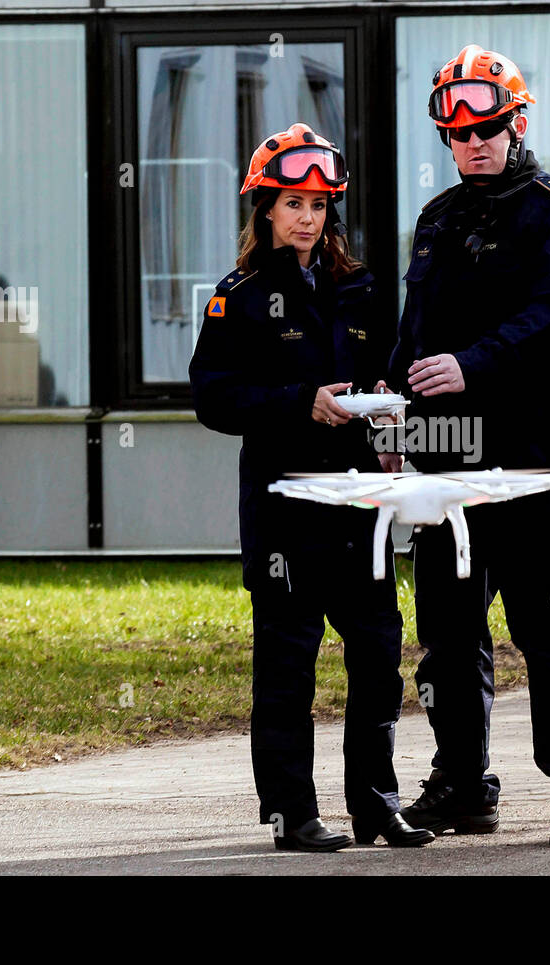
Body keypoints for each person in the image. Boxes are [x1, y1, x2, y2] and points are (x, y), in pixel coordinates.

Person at [388, 45, 550, 846]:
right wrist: (391, 414)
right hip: (447, 464)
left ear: (517, 121)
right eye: (457, 134)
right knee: (448, 635)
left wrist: (471, 366)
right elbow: (416, 337)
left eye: (486, 127)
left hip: (540, 464)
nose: (472, 143)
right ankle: (462, 784)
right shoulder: (439, 220)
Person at [189, 122, 433, 852]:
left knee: (378, 660)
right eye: (293, 202)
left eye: (320, 205)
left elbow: (382, 381)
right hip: (285, 514)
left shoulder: (357, 289)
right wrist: (300, 400)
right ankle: (292, 815)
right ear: (265, 208)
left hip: (361, 511)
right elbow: (213, 399)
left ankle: (376, 806)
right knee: (287, 673)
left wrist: (387, 428)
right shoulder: (237, 297)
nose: (307, 216)